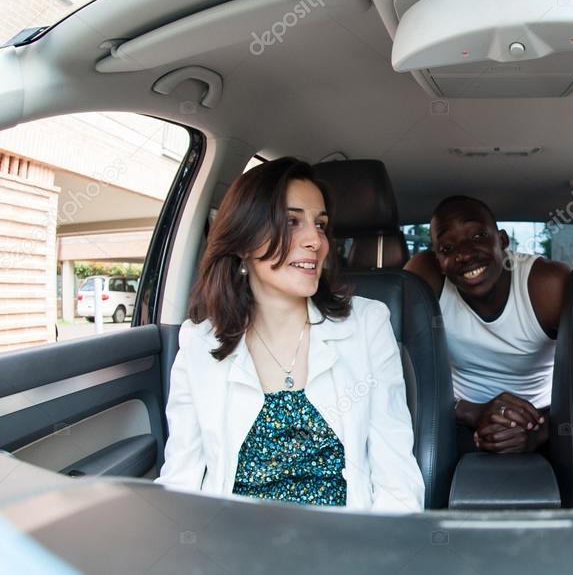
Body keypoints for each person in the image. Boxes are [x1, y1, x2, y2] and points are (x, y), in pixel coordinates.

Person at [156, 157, 424, 512]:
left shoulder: (368, 325)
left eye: (321, 225)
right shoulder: (199, 342)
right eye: (292, 221)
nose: (315, 240)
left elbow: (397, 479)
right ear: (243, 240)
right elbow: (181, 479)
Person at [404, 196, 569, 454]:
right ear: (437, 260)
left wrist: (540, 432)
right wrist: (470, 412)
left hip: (541, 419)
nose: (465, 254)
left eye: (478, 236)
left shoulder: (546, 285)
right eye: (447, 248)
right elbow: (401, 368)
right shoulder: (425, 279)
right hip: (456, 415)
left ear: (502, 240)